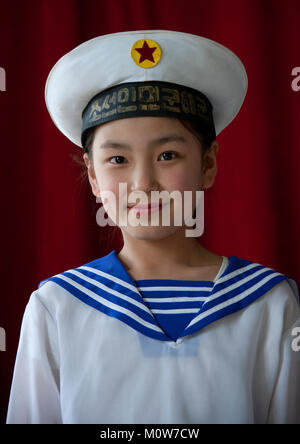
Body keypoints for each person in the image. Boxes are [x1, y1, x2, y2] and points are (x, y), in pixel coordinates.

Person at [6, 30, 300, 424]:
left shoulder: (269, 304)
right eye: (117, 160)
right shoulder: (57, 308)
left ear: (208, 163)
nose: (143, 184)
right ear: (93, 177)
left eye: (167, 155)